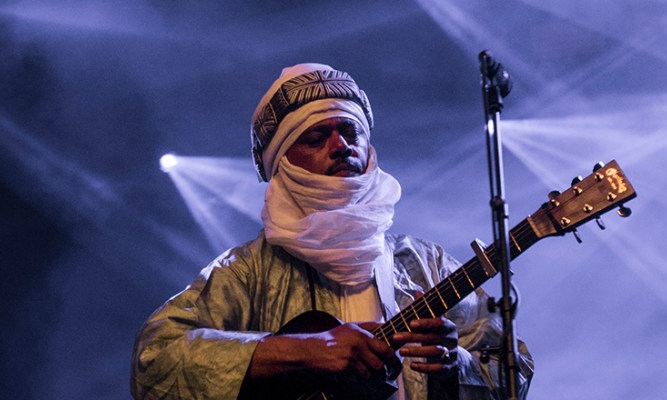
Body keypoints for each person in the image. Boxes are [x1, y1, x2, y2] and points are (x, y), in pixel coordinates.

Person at [131, 63, 534, 399]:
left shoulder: (426, 265)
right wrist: (302, 352)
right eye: (316, 137)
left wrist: (455, 365)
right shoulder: (246, 272)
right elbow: (154, 363)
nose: (341, 145)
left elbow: (514, 373)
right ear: (283, 163)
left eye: (351, 131)